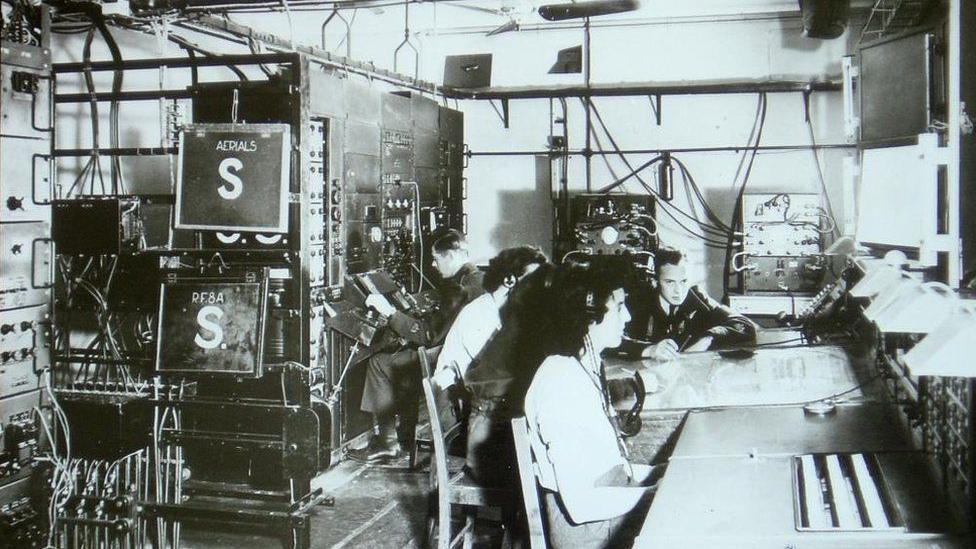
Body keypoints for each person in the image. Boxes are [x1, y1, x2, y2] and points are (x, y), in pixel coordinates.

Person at [523, 264, 659, 549]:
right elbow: (581, 506)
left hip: (611, 511)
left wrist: (657, 476)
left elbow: (601, 463)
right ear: (589, 315)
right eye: (620, 306)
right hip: (594, 535)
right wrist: (656, 494)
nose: (628, 316)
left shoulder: (582, 365)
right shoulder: (560, 384)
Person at [348, 229, 484, 463]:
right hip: (469, 360)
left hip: (448, 364)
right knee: (402, 357)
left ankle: (387, 442)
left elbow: (428, 334)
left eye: (436, 259)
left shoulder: (458, 287)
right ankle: (404, 435)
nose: (432, 265)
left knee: (380, 363)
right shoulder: (478, 278)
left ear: (450, 256)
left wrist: (390, 312)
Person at [431, 245, 547, 390]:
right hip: (455, 399)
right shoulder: (480, 314)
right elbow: (495, 370)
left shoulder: (501, 308)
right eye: (534, 282)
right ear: (510, 280)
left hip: (477, 389)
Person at [620, 246, 756, 361]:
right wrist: (649, 350)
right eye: (670, 282)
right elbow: (607, 339)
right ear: (655, 282)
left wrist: (709, 338)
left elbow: (745, 326)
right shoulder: (638, 300)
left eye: (683, 281)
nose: (678, 291)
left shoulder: (696, 298)